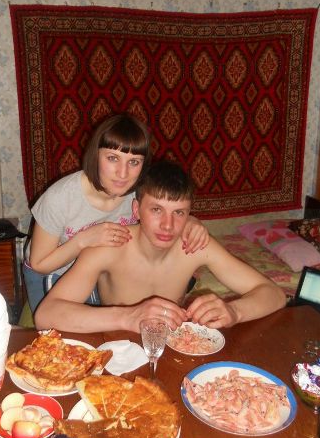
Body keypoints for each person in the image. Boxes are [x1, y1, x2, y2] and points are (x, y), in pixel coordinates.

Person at [34, 159, 286, 333]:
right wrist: (127, 317)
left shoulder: (195, 245)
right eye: (156, 210)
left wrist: (234, 311)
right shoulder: (109, 246)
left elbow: (274, 294)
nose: (168, 225)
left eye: (179, 213)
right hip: (117, 350)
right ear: (136, 210)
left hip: (170, 347)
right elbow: (46, 315)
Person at [23, 114, 209, 312]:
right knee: (60, 327)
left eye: (134, 162)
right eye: (113, 158)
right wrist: (83, 240)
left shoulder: (137, 191)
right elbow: (40, 263)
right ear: (96, 155)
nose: (123, 173)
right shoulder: (60, 198)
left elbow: (170, 205)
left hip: (100, 269)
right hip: (53, 271)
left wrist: (191, 221)